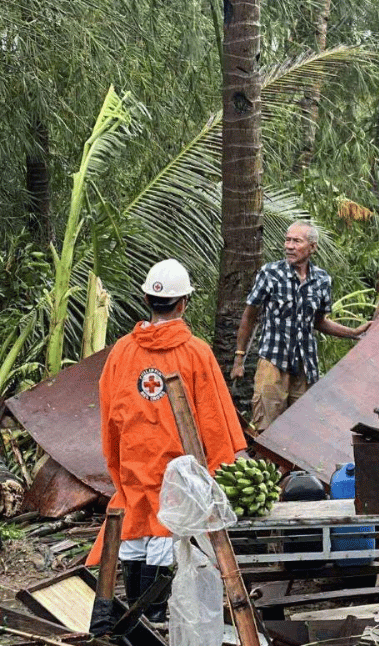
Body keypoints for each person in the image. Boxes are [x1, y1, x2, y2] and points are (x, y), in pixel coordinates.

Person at [85, 259, 247, 625]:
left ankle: (136, 621)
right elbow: (215, 419)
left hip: (133, 467)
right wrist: (221, 469)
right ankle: (154, 618)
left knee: (135, 533)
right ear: (184, 302)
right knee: (164, 536)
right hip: (177, 476)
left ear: (146, 299)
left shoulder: (122, 352)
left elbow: (109, 417)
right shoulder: (197, 353)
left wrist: (118, 465)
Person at [230, 220, 370, 432]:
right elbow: (249, 316)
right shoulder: (270, 273)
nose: (289, 246)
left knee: (301, 430)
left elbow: (319, 322)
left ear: (312, 247)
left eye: (296, 241)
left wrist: (353, 333)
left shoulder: (322, 280)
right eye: (287, 240)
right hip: (273, 362)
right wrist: (239, 358)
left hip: (306, 366)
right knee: (265, 429)